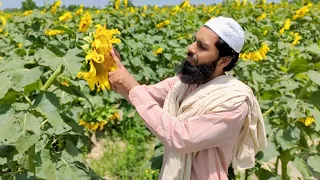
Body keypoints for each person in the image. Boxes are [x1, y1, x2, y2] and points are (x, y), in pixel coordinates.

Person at [108, 16, 267, 180]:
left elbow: (181, 137)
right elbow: (143, 97)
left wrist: (132, 86)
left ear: (224, 60)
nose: (190, 48)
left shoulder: (233, 102)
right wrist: (112, 67)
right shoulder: (182, 85)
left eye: (201, 46)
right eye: (194, 41)